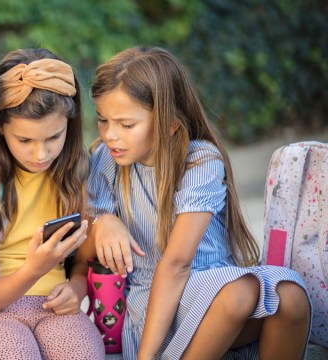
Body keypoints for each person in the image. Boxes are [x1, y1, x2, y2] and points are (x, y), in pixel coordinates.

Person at [85, 46, 312, 360]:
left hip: (214, 290)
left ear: (170, 124)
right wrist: (103, 220)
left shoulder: (199, 160)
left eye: (126, 125)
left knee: (291, 296)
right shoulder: (105, 161)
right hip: (155, 308)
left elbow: (179, 263)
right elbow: (88, 220)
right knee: (238, 293)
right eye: (103, 120)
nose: (110, 135)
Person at [0, 48, 105, 359]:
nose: (41, 155)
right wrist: (36, 267)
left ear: (69, 126)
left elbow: (81, 264)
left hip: (54, 304)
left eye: (54, 137)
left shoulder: (75, 172)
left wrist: (76, 290)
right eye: (25, 141)